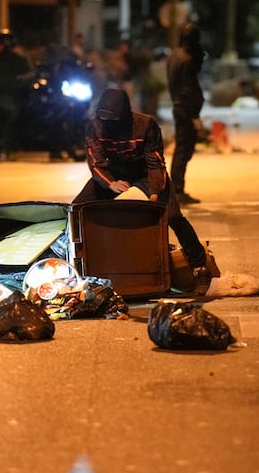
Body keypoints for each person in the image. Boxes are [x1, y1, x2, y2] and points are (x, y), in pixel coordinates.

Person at [72, 88, 212, 295]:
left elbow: (156, 163)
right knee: (76, 211)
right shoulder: (94, 126)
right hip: (115, 175)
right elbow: (96, 163)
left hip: (146, 173)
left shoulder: (145, 125)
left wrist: (155, 192)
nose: (108, 124)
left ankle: (200, 267)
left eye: (113, 119)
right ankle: (75, 270)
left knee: (173, 216)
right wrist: (110, 183)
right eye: (104, 118)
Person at [166, 22, 206, 205]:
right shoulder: (188, 60)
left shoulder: (174, 56)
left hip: (178, 107)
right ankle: (177, 190)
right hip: (185, 110)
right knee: (183, 151)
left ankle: (177, 189)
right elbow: (189, 90)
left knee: (181, 150)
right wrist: (195, 116)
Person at [0, 29, 33, 160]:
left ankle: (7, 147)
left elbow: (29, 76)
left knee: (11, 120)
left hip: (12, 99)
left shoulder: (19, 61)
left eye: (0, 44)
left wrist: (20, 84)